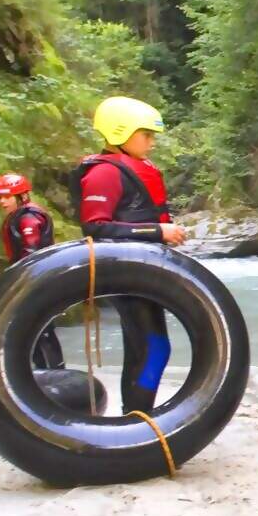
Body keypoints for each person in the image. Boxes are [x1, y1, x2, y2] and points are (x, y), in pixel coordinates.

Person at [70, 96, 189, 413]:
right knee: (155, 349)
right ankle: (137, 421)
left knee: (143, 349)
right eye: (146, 135)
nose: (152, 142)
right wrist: (157, 232)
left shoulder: (133, 168)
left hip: (143, 272)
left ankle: (134, 417)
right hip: (125, 273)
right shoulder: (104, 173)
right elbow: (94, 228)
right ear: (120, 132)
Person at [0, 173, 63, 369]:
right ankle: (43, 370)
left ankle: (55, 372)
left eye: (7, 197)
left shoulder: (28, 219)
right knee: (35, 330)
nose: (3, 201)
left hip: (38, 280)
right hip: (34, 279)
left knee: (42, 329)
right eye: (0, 197)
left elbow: (30, 252)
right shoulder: (20, 216)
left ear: (22, 196)